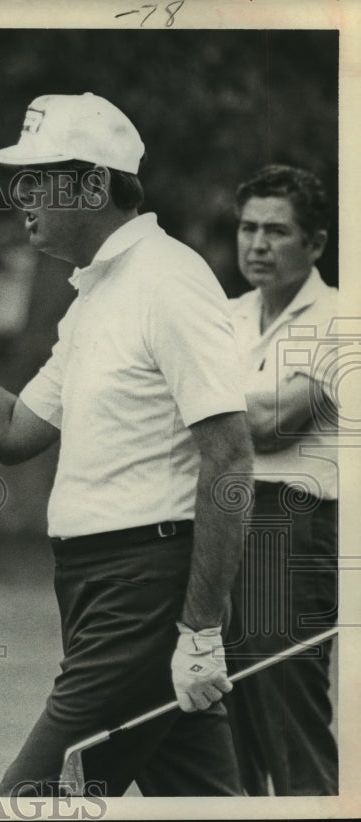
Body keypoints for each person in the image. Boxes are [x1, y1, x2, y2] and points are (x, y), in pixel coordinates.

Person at [0, 93, 253, 796]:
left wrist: (200, 630)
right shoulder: (97, 296)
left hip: (144, 596)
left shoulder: (170, 281)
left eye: (39, 176)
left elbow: (230, 454)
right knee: (201, 802)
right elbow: (12, 429)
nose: (20, 193)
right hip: (98, 586)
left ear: (95, 184)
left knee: (29, 802)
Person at [224, 164, 339, 795]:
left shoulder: (341, 316)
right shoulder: (227, 314)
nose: (258, 244)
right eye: (247, 228)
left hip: (291, 525)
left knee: (288, 721)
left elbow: (274, 426)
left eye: (277, 230)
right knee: (222, 725)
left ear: (315, 243)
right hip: (220, 517)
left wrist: (197, 402)